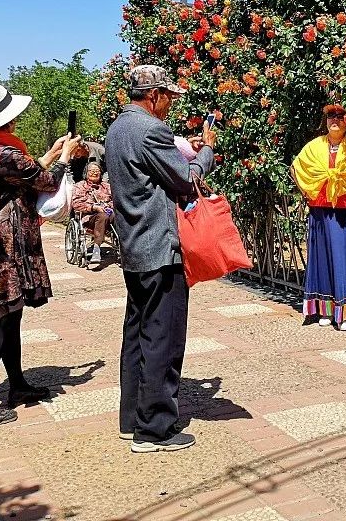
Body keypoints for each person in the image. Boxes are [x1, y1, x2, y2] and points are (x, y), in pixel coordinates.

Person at [0, 83, 82, 427]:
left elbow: (21, 177)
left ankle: (17, 386)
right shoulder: (2, 155)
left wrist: (53, 153)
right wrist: (66, 157)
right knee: (0, 322)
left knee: (11, 318)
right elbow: (44, 182)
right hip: (7, 246)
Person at [106, 65, 216, 453]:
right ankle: (155, 429)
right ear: (153, 95)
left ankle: (131, 418)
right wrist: (206, 151)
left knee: (137, 333)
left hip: (135, 247)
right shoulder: (152, 129)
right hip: (159, 248)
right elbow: (186, 179)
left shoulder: (118, 127)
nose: (170, 104)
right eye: (168, 96)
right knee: (162, 337)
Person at [292, 104, 346, 331]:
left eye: (341, 116)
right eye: (331, 116)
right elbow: (296, 168)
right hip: (320, 209)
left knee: (345, 259)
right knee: (322, 258)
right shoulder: (314, 146)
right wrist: (307, 191)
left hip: (345, 210)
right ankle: (325, 309)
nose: (335, 120)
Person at [71, 162, 113, 266]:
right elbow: (76, 204)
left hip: (109, 215)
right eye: (92, 171)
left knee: (121, 216)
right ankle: (96, 249)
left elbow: (116, 200)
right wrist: (93, 207)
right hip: (89, 218)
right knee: (102, 216)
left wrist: (109, 207)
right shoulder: (79, 186)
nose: (94, 173)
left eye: (97, 171)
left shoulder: (107, 186)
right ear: (86, 173)